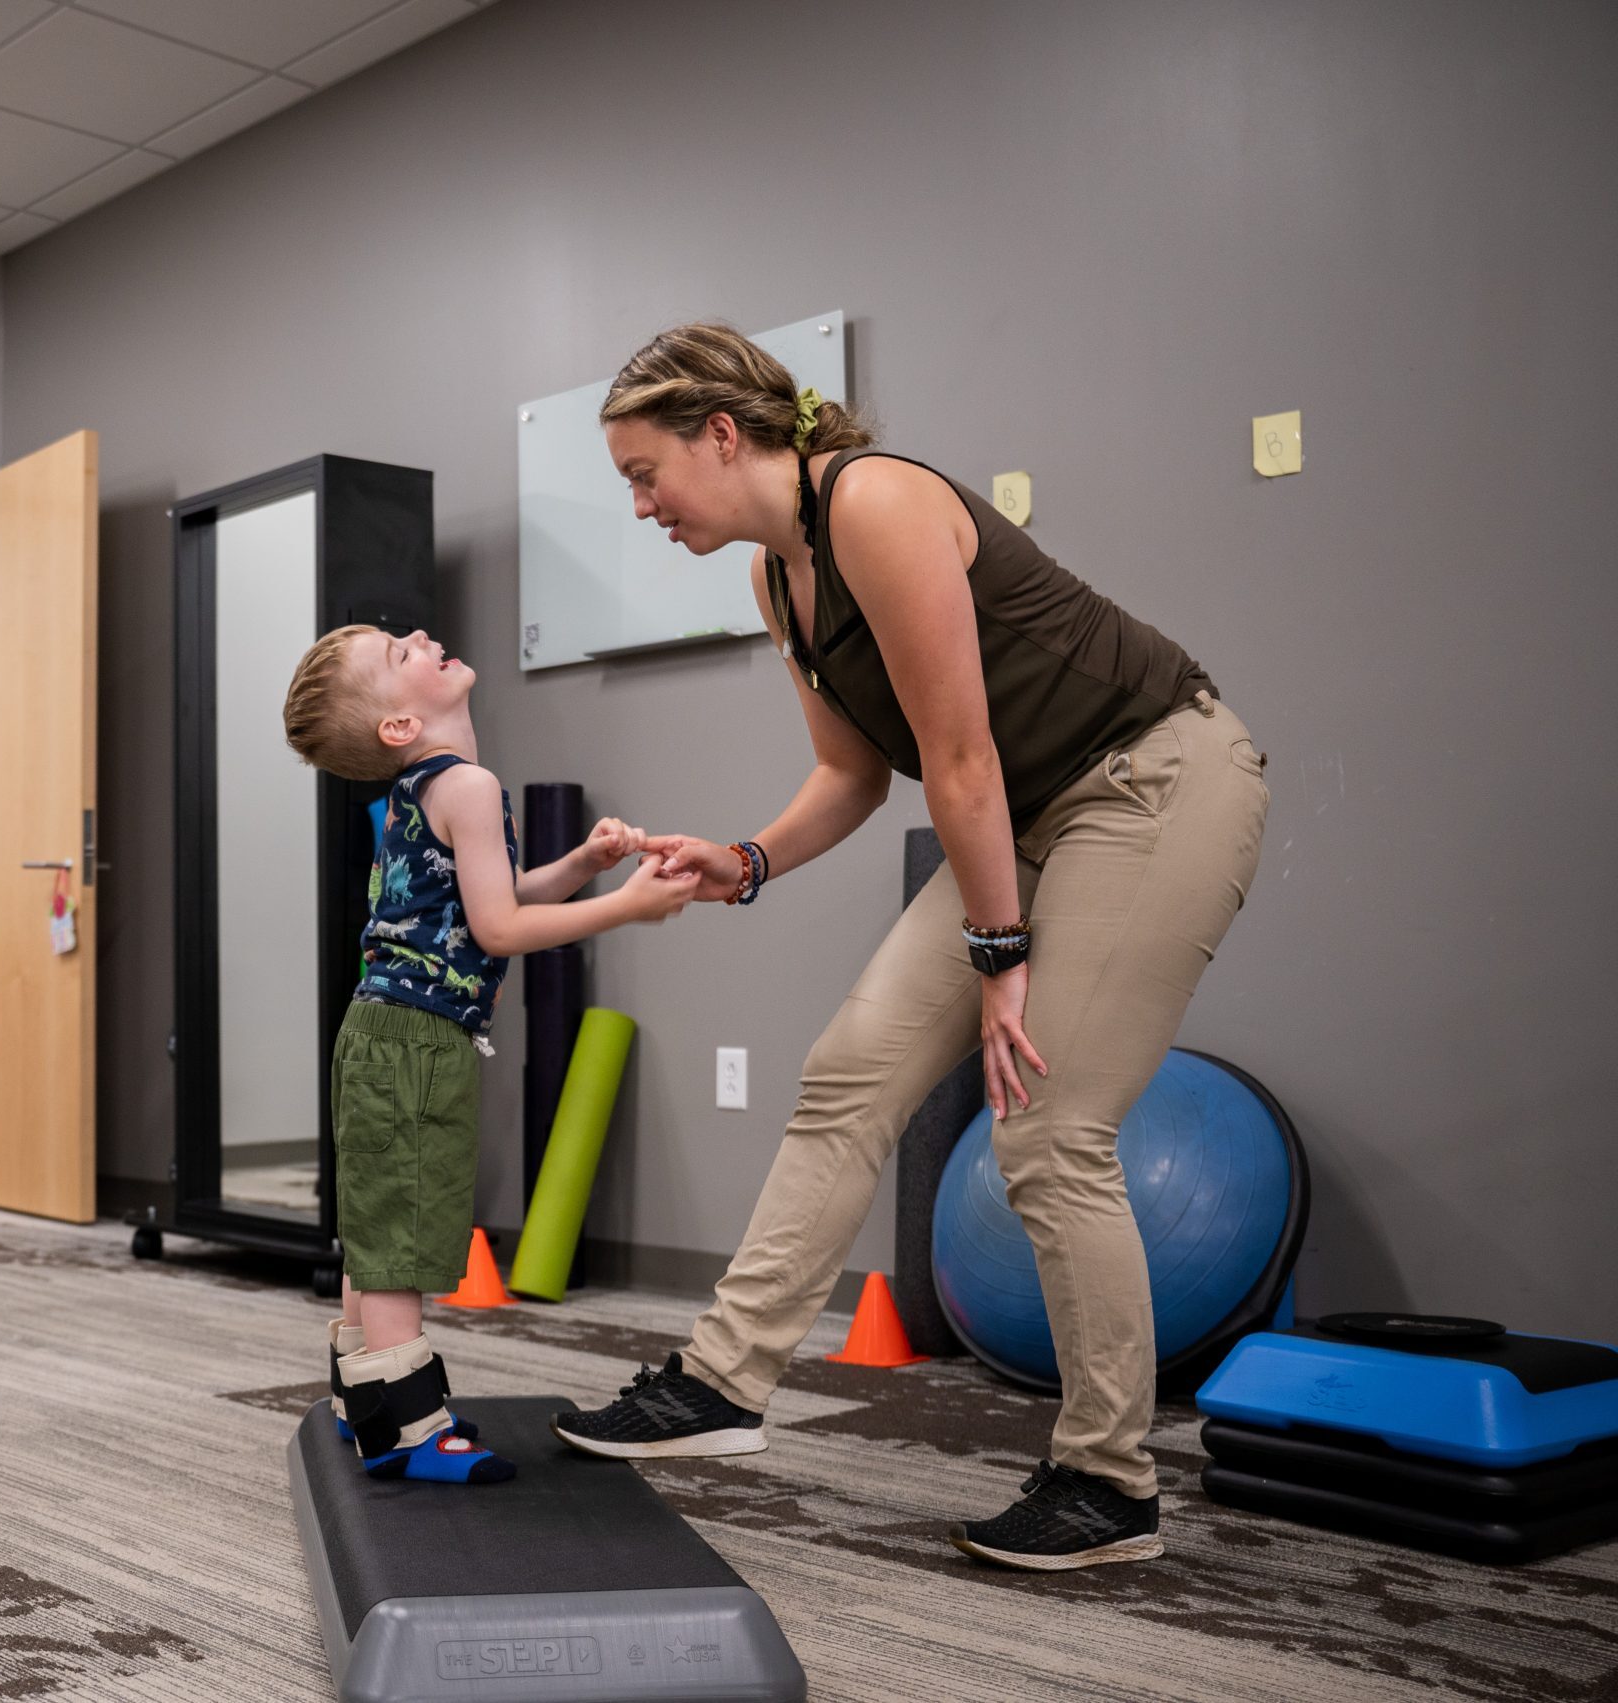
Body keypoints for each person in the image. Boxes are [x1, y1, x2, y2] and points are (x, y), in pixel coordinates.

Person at [553, 323, 1270, 1570]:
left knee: (1047, 1127)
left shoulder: (873, 503)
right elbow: (852, 772)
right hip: (1030, 813)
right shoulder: (777, 578)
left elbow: (961, 756)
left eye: (643, 471)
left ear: (722, 435)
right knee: (849, 1069)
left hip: (1155, 779)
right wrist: (748, 859)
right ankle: (722, 1382)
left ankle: (1109, 1480)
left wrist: (1000, 957)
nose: (639, 505)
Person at [283, 623, 695, 1482]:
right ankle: (408, 1430)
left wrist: (582, 862)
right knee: (400, 1234)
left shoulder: (427, 787)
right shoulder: (467, 784)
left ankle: (368, 1400)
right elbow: (500, 927)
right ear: (399, 724)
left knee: (377, 1225)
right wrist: (626, 907)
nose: (421, 636)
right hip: (414, 1040)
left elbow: (491, 895)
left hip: (378, 1032)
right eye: (400, 652)